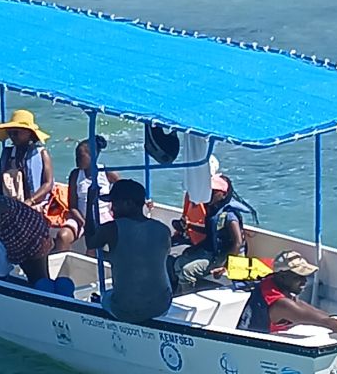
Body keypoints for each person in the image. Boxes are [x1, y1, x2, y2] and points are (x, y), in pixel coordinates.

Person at [238, 250, 337, 355]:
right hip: (256, 352)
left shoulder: (272, 282)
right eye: (299, 277)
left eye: (305, 276)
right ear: (282, 276)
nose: (304, 281)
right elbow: (324, 321)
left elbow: (323, 316)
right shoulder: (282, 305)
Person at [85, 179, 173, 324]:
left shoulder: (111, 228)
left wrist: (90, 204)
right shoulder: (164, 230)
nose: (112, 209)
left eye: (115, 203)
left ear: (129, 204)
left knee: (105, 296)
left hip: (125, 310)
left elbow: (90, 242)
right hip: (161, 306)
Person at [0, 110, 70, 249]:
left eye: (16, 132)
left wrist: (30, 201)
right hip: (10, 205)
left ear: (29, 133)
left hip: (36, 205)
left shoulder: (42, 154)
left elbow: (48, 183)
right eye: (10, 132)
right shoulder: (7, 154)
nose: (12, 136)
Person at [170, 175, 246, 293]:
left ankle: (186, 297)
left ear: (223, 194)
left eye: (214, 192)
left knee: (187, 271)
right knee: (178, 263)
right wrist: (189, 228)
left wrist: (224, 266)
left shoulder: (230, 215)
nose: (210, 194)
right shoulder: (213, 210)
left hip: (226, 257)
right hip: (213, 252)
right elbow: (211, 233)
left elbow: (238, 242)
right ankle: (181, 291)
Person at [66, 137, 118, 246]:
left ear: (92, 156)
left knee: (101, 238)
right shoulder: (75, 175)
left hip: (103, 217)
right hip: (81, 218)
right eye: (76, 156)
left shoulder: (106, 173)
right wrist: (83, 222)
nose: (77, 160)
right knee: (63, 236)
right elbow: (72, 206)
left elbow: (124, 188)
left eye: (80, 157)